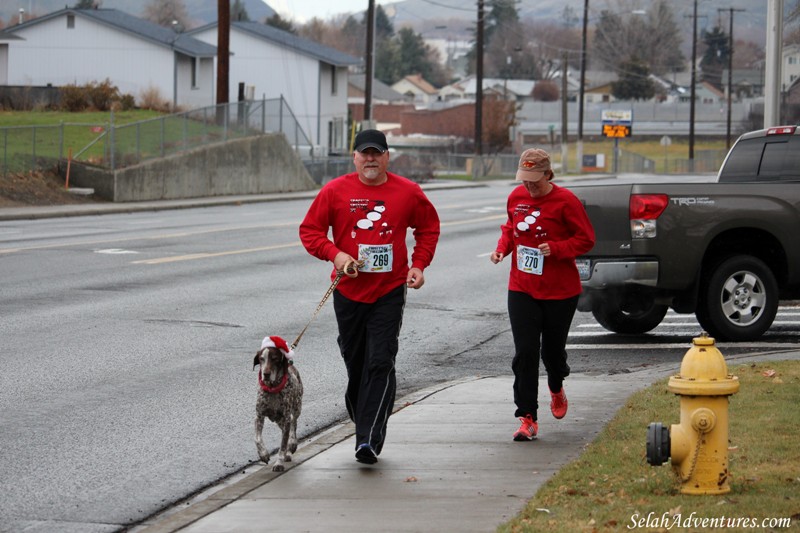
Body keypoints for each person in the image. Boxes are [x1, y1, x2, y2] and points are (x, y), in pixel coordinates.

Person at [299, 129, 440, 464]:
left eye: (377, 153)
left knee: (381, 361)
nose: (371, 159)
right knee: (356, 364)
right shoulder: (335, 191)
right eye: (365, 154)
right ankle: (364, 416)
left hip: (389, 290)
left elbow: (428, 228)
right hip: (348, 291)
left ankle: (367, 439)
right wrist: (337, 256)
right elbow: (310, 231)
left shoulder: (408, 192)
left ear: (387, 156)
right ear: (355, 158)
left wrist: (418, 265)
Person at [490, 148, 595, 441]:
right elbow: (511, 229)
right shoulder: (516, 198)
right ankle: (528, 418)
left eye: (535, 180)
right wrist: (502, 249)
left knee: (552, 353)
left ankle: (557, 385)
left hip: (560, 291)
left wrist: (558, 248)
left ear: (548, 175)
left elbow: (586, 239)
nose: (529, 186)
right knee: (525, 352)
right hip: (522, 287)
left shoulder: (566, 201)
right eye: (525, 180)